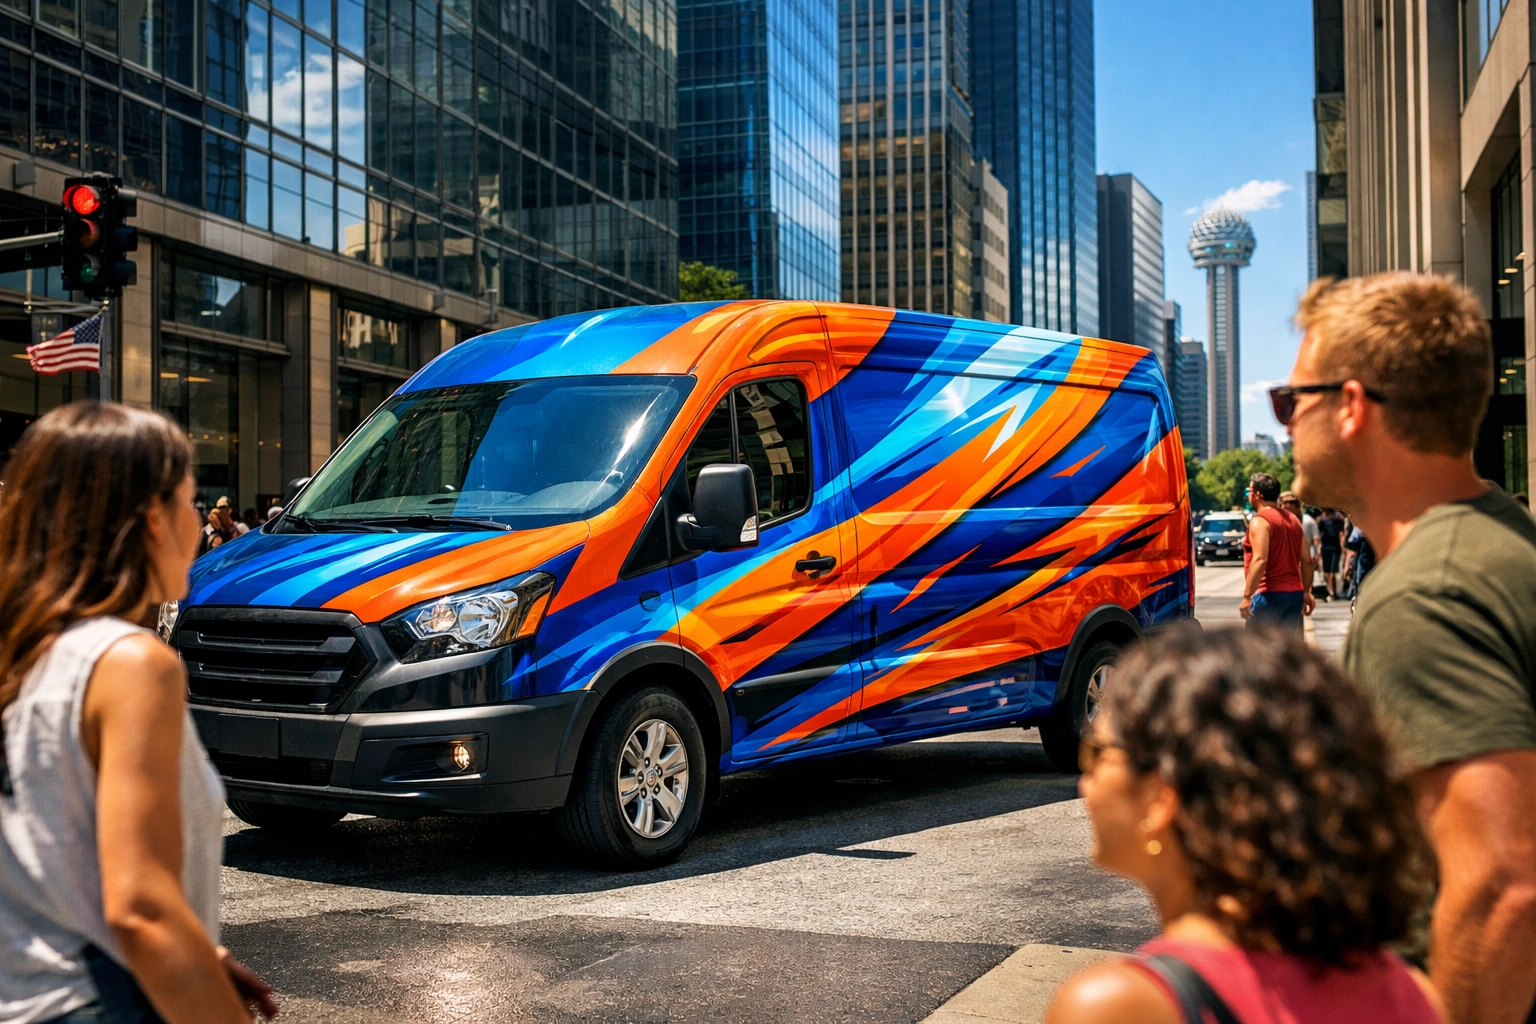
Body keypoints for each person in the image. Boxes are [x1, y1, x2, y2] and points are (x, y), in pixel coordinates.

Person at [1282, 271, 1536, 1024]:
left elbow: (1502, 889)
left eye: (1291, 402)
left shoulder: (1426, 596)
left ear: (1351, 406)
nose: (1287, 426)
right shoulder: (1501, 540)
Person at [0, 402, 277, 1023]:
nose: (197, 521)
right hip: (104, 1002)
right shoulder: (131, 663)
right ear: (152, 519)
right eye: (188, 500)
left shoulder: (23, 653)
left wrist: (193, 953)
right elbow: (141, 910)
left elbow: (47, 847)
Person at [1046, 627, 1441, 1023]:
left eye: (1096, 753)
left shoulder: (1118, 1006)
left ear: (1160, 797)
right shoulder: (1412, 991)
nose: (1086, 782)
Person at [1238, 472, 1311, 631]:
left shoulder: (1260, 521)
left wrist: (1247, 596)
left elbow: (1260, 559)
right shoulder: (1293, 520)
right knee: (1283, 644)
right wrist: (1306, 592)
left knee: (1255, 644)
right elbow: (1307, 560)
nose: (1248, 495)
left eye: (1248, 491)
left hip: (1269, 594)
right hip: (1294, 596)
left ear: (1257, 494)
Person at [1281, 491, 1319, 598]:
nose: (1283, 506)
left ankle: (1306, 593)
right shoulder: (1282, 520)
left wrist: (1317, 553)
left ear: (1295, 505)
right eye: (1282, 503)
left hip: (1305, 553)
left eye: (1287, 503)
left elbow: (1316, 539)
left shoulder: (1308, 521)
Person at [1316, 507, 1346, 598]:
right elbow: (1319, 535)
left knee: (1332, 570)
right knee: (1328, 570)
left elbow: (1341, 534)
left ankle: (1332, 590)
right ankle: (1331, 589)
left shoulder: (1337, 521)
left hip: (1333, 547)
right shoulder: (1323, 521)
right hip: (1328, 547)